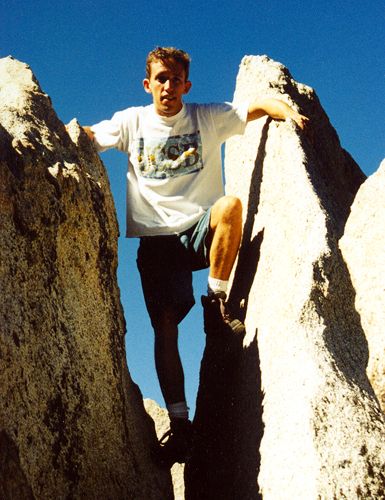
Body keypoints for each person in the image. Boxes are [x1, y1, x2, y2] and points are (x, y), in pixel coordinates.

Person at [82, 46, 308, 468]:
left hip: (197, 229)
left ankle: (216, 301)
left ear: (187, 85)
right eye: (160, 79)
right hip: (156, 242)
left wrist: (287, 110)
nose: (168, 87)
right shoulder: (132, 121)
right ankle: (181, 424)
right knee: (164, 329)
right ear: (148, 85)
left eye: (175, 79)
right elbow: (91, 137)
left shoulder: (205, 116)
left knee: (231, 207)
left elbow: (255, 106)